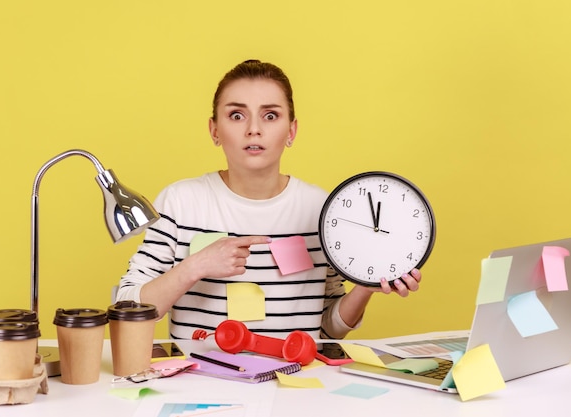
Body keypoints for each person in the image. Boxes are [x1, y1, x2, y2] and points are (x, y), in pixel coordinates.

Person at [116, 59, 422, 340]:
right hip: (202, 389)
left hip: (295, 388)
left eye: (270, 115)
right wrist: (195, 266)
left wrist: (365, 289)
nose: (253, 130)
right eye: (237, 115)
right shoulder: (180, 202)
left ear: (291, 130)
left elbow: (328, 328)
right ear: (214, 130)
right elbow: (126, 308)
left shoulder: (321, 209)